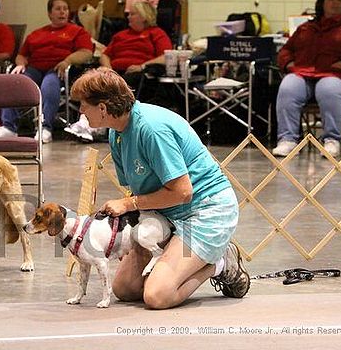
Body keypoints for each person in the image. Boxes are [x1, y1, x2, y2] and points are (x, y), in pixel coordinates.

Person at [70, 68, 250, 309]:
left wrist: (127, 205)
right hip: (164, 214)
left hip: (204, 211)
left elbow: (183, 192)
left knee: (157, 296)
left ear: (102, 108)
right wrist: (128, 232)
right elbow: (136, 191)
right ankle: (180, 255)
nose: (80, 111)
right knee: (124, 289)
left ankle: (218, 263)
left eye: (83, 105)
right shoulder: (117, 134)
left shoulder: (151, 129)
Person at [272, 0, 341, 158]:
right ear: (321, 3)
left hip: (339, 77)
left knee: (328, 89)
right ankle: (287, 140)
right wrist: (288, 64)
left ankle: (332, 140)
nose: (336, 3)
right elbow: (286, 50)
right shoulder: (306, 27)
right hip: (304, 73)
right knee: (288, 86)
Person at [0, 0, 93, 143]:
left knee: (49, 84)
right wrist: (21, 64)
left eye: (65, 9)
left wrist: (67, 60)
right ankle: (9, 127)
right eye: (58, 9)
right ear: (50, 13)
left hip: (57, 69)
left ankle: (45, 128)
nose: (62, 12)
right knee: (14, 83)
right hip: (34, 68)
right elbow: (21, 55)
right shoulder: (37, 33)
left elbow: (86, 52)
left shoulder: (77, 31)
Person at [65, 0, 171, 143]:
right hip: (114, 72)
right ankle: (87, 122)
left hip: (137, 73)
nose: (128, 17)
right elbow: (105, 55)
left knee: (113, 86)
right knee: (94, 82)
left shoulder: (156, 33)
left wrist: (142, 66)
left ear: (144, 16)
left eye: (133, 14)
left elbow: (166, 56)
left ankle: (93, 126)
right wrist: (108, 69)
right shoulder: (121, 35)